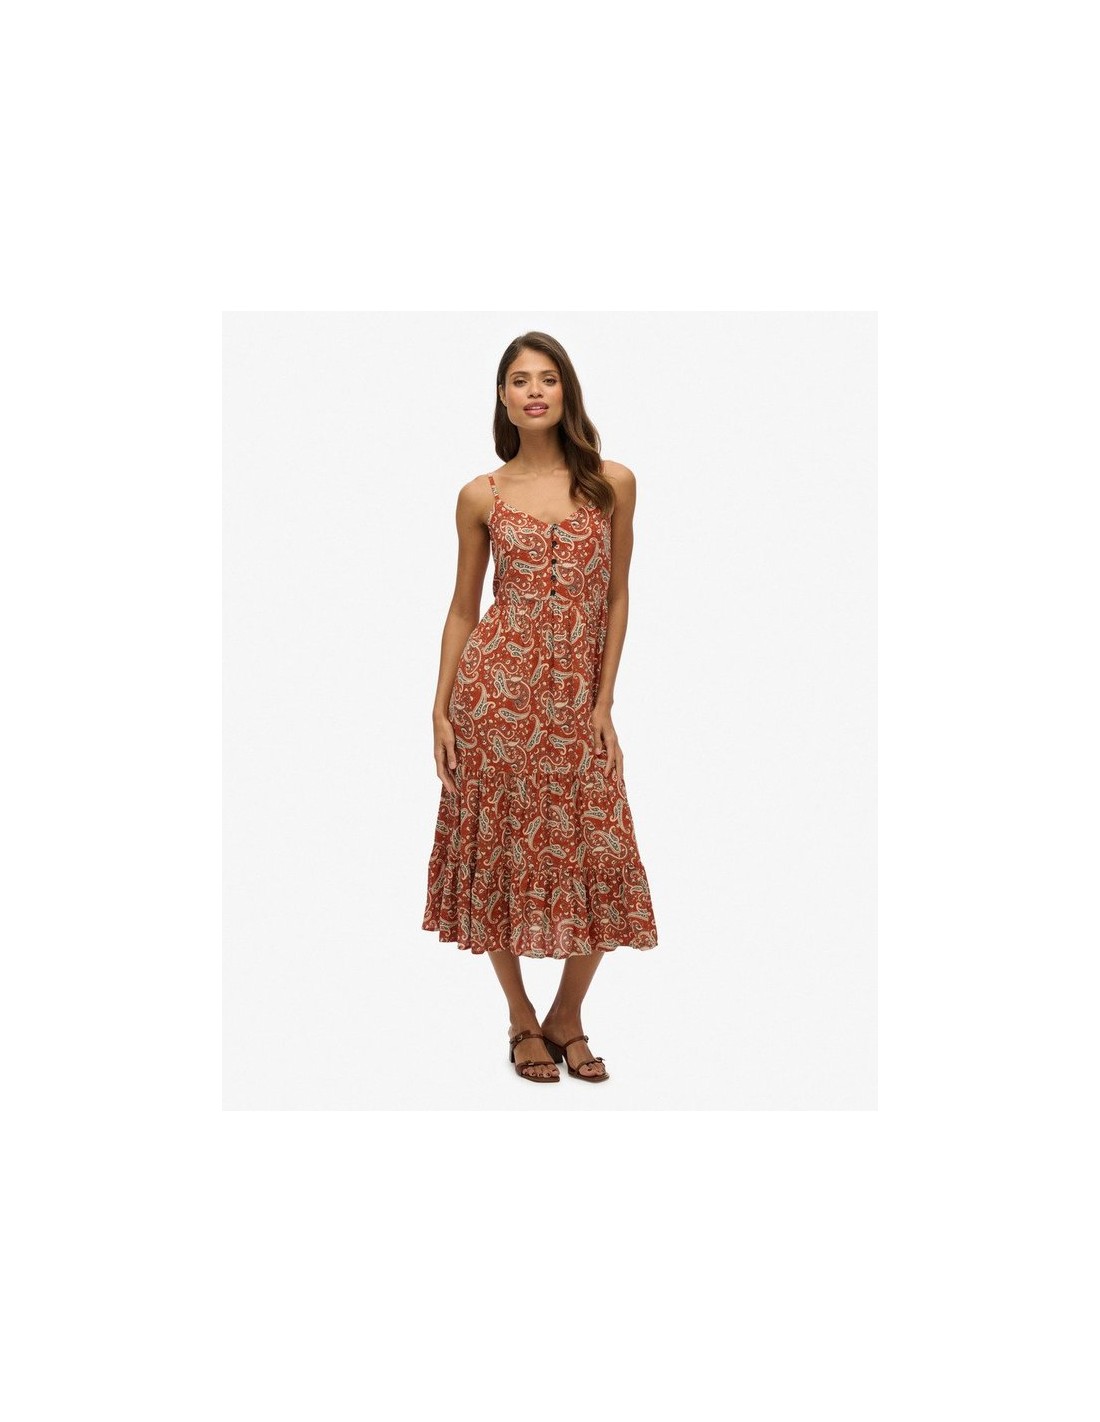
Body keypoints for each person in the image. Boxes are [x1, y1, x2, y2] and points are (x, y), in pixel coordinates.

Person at [421, 331, 658, 1083]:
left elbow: (617, 597)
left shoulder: (612, 484)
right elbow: (464, 609)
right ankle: (522, 1018)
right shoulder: (480, 496)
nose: (534, 391)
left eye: (547, 378)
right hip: (494, 697)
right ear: (502, 397)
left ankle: (566, 1017)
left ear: (566, 391)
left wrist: (604, 702)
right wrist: (440, 709)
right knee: (497, 852)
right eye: (520, 380)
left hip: (576, 704)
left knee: (602, 850)